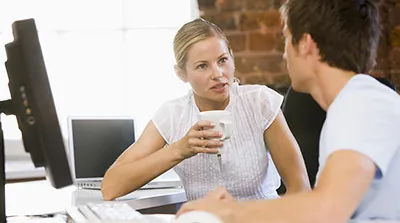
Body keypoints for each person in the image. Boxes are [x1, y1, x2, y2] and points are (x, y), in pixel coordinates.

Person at [176, 0, 400, 222]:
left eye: (286, 39)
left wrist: (228, 213)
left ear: (305, 45)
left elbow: (327, 210)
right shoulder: (351, 105)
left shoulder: (364, 103)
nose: (284, 55)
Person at [101, 18, 310, 201]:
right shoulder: (173, 115)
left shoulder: (259, 102)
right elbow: (110, 187)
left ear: (232, 58)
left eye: (222, 60)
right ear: (182, 74)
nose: (218, 73)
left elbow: (300, 189)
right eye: (202, 66)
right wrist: (179, 150)